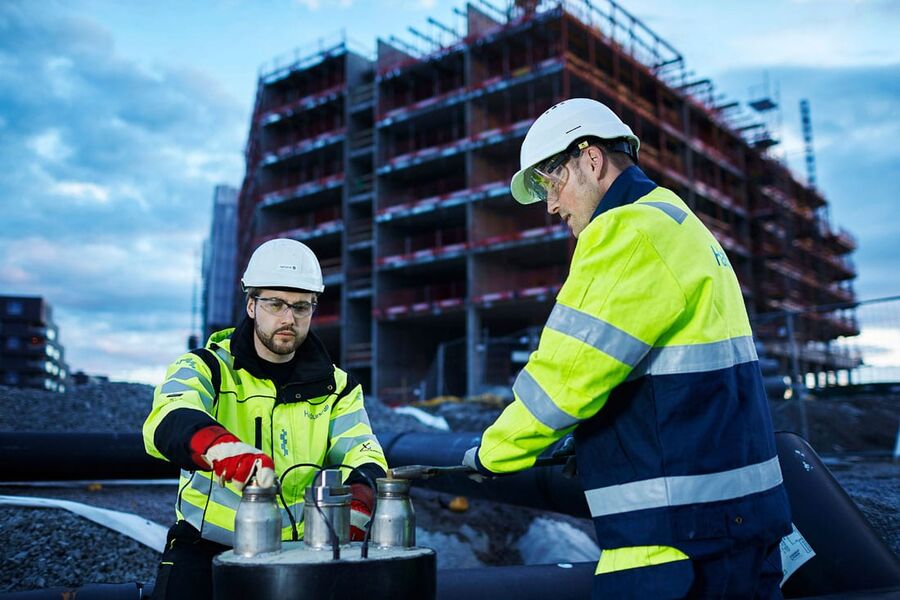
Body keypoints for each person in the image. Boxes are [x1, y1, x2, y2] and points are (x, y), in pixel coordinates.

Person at [463, 98, 792, 598]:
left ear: (590, 159)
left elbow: (563, 380)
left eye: (552, 184)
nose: (551, 205)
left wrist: (491, 455)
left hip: (679, 539)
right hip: (731, 522)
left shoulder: (628, 230)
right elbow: (655, 378)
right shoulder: (677, 221)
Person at [143, 238, 387, 599]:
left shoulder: (338, 387)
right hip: (208, 549)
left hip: (301, 554)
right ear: (252, 305)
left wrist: (359, 499)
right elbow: (169, 418)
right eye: (276, 304)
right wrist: (221, 448)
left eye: (302, 307)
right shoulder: (206, 368)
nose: (289, 318)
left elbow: (365, 454)